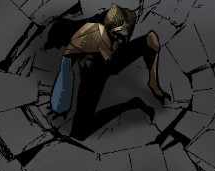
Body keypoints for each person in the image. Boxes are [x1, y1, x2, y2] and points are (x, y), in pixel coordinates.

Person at [46, 5, 168, 141]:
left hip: (104, 59)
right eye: (115, 37)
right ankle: (131, 104)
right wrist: (60, 104)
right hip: (95, 64)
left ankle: (143, 89)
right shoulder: (90, 34)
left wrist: (154, 83)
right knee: (79, 133)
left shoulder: (127, 18)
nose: (117, 42)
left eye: (121, 38)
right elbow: (66, 67)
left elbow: (127, 40)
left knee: (149, 42)